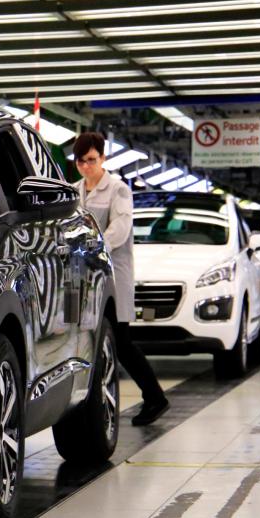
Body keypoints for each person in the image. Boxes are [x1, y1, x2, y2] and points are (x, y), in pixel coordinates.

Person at [73, 131, 169, 426]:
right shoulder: (74, 190)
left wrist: (92, 245)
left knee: (122, 341)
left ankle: (155, 397)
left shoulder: (118, 190)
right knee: (84, 333)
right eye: (80, 161)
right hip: (80, 276)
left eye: (91, 160)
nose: (86, 166)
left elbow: (120, 228)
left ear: (103, 158)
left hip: (113, 275)